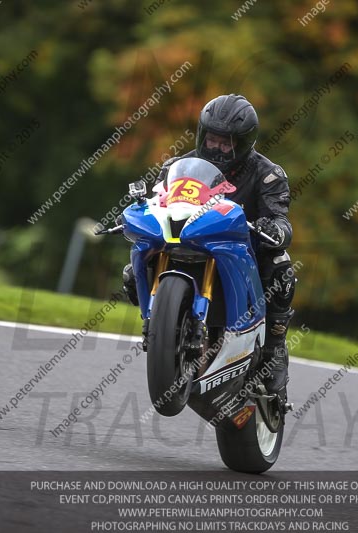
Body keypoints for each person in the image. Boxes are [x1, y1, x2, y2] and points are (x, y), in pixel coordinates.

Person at [122, 94, 295, 395]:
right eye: (212, 139)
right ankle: (162, 322)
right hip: (185, 241)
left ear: (244, 143)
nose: (216, 148)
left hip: (242, 253)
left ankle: (274, 349)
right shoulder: (178, 166)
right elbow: (157, 200)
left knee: (281, 267)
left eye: (226, 142)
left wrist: (276, 229)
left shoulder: (267, 175)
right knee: (132, 267)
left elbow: (280, 217)